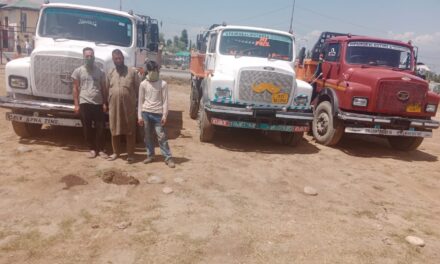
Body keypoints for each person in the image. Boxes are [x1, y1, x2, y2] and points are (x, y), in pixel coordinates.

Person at [138, 60, 175, 168]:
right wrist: (139, 116)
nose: (153, 72)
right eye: (151, 70)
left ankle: (168, 157)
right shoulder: (143, 84)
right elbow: (140, 101)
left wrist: (164, 115)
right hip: (146, 113)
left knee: (161, 136)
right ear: (147, 71)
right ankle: (150, 155)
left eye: (155, 70)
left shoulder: (163, 84)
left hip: (158, 114)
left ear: (158, 71)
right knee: (148, 136)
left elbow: (165, 101)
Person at [72, 47, 107, 158]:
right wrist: (76, 104)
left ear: (94, 56)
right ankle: (91, 149)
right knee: (87, 128)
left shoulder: (100, 72)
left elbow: (103, 88)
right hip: (84, 102)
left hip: (98, 103)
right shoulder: (78, 71)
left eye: (91, 56)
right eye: (87, 56)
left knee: (100, 127)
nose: (89, 58)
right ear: (83, 57)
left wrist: (105, 103)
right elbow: (75, 88)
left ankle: (101, 149)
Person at [107, 49, 140, 163]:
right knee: (114, 129)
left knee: (130, 130)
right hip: (114, 107)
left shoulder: (132, 72)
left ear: (123, 59)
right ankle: (116, 152)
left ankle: (130, 154)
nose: (118, 60)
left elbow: (138, 89)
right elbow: (107, 89)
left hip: (129, 107)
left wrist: (138, 107)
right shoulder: (110, 73)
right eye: (116, 59)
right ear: (113, 60)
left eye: (120, 58)